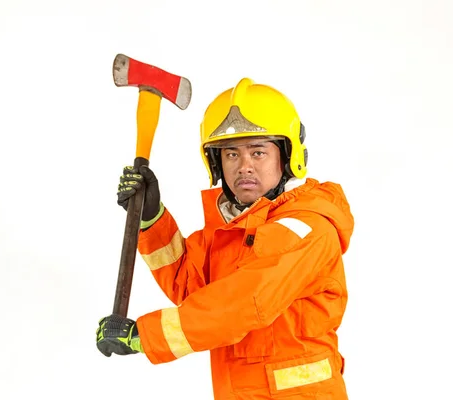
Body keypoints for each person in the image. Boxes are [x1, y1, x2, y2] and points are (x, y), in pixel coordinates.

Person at [96, 77, 355, 399]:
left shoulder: (306, 227)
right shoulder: (235, 228)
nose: (244, 167)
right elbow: (191, 288)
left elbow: (245, 301)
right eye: (231, 155)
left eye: (258, 153)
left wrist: (143, 336)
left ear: (287, 157)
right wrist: (151, 218)